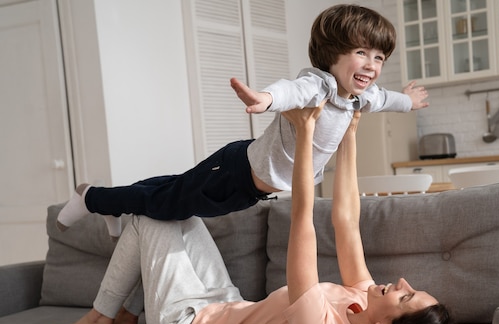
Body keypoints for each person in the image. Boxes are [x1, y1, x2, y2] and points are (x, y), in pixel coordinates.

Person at [52, 104, 472, 324]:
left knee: (148, 217)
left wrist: (307, 135)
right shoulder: (362, 298)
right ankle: (122, 309)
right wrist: (350, 135)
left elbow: (304, 221)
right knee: (182, 210)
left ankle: (100, 315)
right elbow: (346, 222)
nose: (400, 282)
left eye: (406, 295)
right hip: (223, 303)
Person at [56, 4, 430, 240]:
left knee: (171, 189)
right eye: (361, 52)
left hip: (249, 183)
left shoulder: (359, 97)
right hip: (234, 175)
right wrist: (265, 99)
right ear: (332, 55)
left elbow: (387, 99)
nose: (371, 64)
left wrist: (409, 102)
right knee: (168, 203)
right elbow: (290, 91)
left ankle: (108, 201)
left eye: (379, 57)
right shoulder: (320, 86)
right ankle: (91, 198)